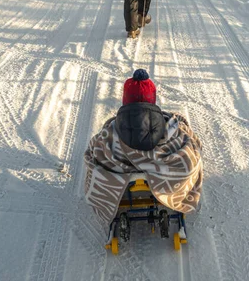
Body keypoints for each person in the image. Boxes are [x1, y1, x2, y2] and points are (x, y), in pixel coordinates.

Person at [84, 69, 203, 228]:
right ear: (152, 99)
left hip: (122, 170)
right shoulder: (174, 127)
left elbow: (94, 151)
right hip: (166, 169)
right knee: (191, 151)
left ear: (125, 99)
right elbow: (192, 146)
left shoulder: (109, 130)